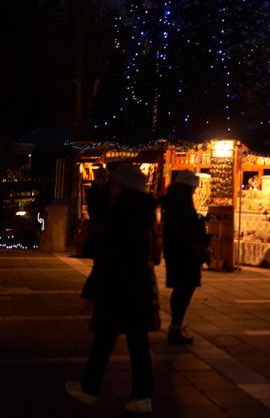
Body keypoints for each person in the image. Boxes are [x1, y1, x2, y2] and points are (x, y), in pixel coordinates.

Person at [67, 163, 159, 414]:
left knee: (106, 341)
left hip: (119, 289)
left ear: (123, 187)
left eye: (114, 185)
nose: (112, 189)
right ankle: (140, 395)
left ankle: (91, 389)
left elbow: (109, 255)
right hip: (136, 289)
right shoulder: (140, 212)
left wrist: (92, 291)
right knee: (134, 344)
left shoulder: (123, 215)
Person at [161, 170, 211, 345]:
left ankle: (175, 326)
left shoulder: (172, 200)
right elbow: (188, 224)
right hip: (185, 252)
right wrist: (200, 224)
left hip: (175, 250)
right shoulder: (181, 201)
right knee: (185, 287)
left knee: (181, 288)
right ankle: (175, 327)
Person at [80, 167, 109, 258]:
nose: (103, 181)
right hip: (97, 218)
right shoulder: (93, 191)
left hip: (104, 219)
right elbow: (92, 206)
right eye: (101, 178)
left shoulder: (108, 190)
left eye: (105, 178)